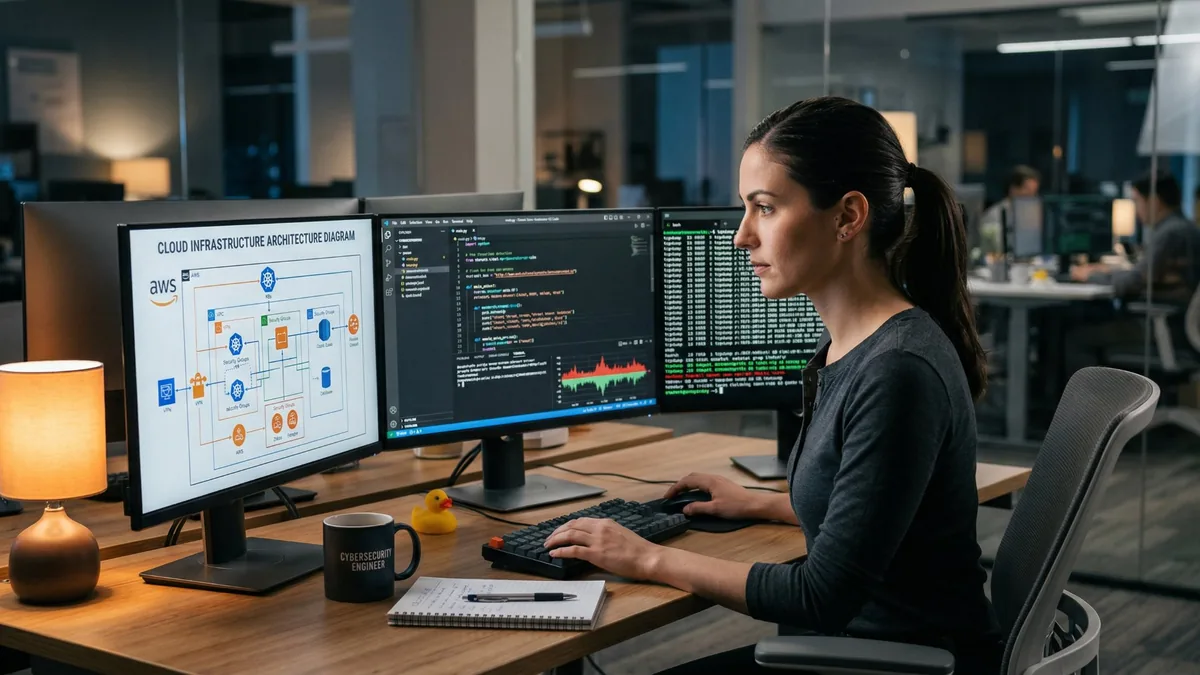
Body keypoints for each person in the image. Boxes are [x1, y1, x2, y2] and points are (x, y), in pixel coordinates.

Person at [542, 97, 1003, 674]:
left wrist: (646, 557)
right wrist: (758, 503)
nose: (741, 238)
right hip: (868, 650)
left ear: (847, 217)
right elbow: (873, 518)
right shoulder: (859, 346)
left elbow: (822, 594)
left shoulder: (896, 370)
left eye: (765, 208)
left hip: (893, 662)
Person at [1065, 172, 1200, 373]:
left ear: (1154, 201)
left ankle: (1093, 404)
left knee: (1076, 338)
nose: (1137, 210)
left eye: (1137, 201)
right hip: (1175, 324)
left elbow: (1134, 281)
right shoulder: (1183, 227)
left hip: (1164, 329)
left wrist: (1090, 276)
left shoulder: (1170, 233)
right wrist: (1108, 271)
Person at [978, 165, 1041, 257]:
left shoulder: (1032, 215)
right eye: (1028, 190)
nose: (1031, 197)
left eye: (1034, 192)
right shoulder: (994, 214)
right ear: (1013, 189)